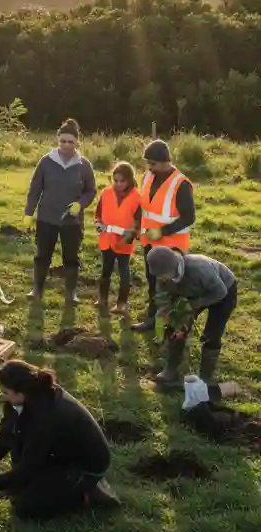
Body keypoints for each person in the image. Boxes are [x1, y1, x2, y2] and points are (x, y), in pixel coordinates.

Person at [0, 360, 119, 520]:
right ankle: (35, 483)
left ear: (20, 393)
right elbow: (8, 431)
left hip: (84, 466)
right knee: (21, 474)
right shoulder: (25, 398)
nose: (3, 397)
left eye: (5, 393)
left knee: (27, 508)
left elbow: (30, 465)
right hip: (57, 451)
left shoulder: (46, 416)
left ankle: (88, 493)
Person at [23, 118, 97, 304]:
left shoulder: (84, 165)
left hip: (72, 222)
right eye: (62, 141)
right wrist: (28, 213)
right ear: (58, 140)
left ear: (77, 143)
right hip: (47, 218)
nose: (66, 145)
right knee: (42, 255)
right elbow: (35, 189)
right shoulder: (46, 162)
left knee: (71, 258)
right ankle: (37, 290)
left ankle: (71, 293)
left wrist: (80, 204)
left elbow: (91, 190)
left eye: (70, 142)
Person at [146, 246, 238, 386]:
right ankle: (171, 370)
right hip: (192, 294)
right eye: (158, 275)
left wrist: (195, 304)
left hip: (223, 291)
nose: (160, 278)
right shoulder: (162, 276)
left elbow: (220, 292)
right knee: (177, 326)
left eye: (163, 275)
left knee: (212, 334)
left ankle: (205, 378)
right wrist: (164, 316)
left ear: (173, 266)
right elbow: (164, 300)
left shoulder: (199, 268)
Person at [131, 140, 196, 333]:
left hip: (172, 245)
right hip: (149, 242)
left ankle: (172, 325)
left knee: (170, 289)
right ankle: (154, 320)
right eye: (147, 163)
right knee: (152, 282)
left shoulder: (181, 184)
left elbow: (189, 217)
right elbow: (143, 207)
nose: (149, 167)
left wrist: (162, 231)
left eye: (152, 164)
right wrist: (136, 227)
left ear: (165, 161)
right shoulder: (147, 177)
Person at [94, 161, 141, 315]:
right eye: (116, 181)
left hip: (124, 242)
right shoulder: (106, 193)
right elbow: (98, 213)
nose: (119, 184)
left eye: (123, 181)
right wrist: (98, 223)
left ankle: (121, 303)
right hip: (107, 239)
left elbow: (138, 223)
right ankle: (102, 299)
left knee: (123, 272)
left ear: (130, 179)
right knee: (105, 270)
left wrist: (127, 238)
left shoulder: (137, 197)